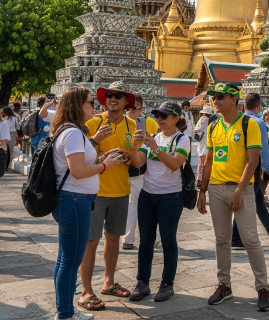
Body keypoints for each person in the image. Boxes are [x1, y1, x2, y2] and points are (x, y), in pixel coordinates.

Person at [50, 87, 124, 320]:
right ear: (78, 105)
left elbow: (79, 165)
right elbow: (78, 171)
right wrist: (104, 166)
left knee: (65, 259)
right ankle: (65, 314)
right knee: (71, 261)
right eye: (91, 103)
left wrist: (100, 159)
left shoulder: (70, 131)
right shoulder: (72, 133)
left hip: (73, 199)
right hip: (74, 201)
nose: (95, 107)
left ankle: (66, 311)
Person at [197, 83, 269, 312]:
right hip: (216, 189)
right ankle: (224, 284)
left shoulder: (249, 124)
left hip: (242, 189)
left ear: (233, 99)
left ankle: (262, 287)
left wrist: (239, 190)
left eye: (220, 97)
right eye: (213, 98)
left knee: (250, 240)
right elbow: (208, 160)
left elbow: (253, 162)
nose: (215, 101)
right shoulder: (213, 125)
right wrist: (202, 190)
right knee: (221, 240)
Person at [78, 82, 137, 311]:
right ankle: (85, 290)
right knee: (90, 241)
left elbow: (134, 159)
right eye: (109, 95)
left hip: (121, 189)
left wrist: (128, 154)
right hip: (96, 190)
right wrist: (97, 142)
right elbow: (81, 159)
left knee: (114, 238)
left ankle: (108, 282)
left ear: (126, 102)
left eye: (118, 96)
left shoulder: (132, 125)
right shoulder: (93, 123)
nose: (113, 99)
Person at [127, 101, 189, 303]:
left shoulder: (182, 139)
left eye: (164, 116)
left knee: (168, 241)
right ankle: (142, 282)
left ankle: (167, 284)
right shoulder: (152, 137)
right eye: (157, 116)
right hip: (147, 194)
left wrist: (156, 148)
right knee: (145, 242)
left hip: (170, 196)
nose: (159, 119)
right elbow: (138, 163)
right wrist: (136, 145)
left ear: (176, 119)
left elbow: (174, 164)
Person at [231, 93, 269, 249]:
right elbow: (263, 151)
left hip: (237, 166)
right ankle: (235, 237)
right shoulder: (258, 122)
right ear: (258, 105)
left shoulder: (236, 120)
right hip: (252, 167)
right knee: (244, 201)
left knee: (258, 199)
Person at [123, 95, 160, 251]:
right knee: (128, 204)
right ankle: (128, 237)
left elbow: (155, 144)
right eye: (129, 107)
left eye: (135, 108)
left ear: (141, 107)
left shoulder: (149, 122)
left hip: (139, 168)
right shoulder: (120, 122)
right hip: (120, 168)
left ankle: (129, 239)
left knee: (135, 203)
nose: (131, 111)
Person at [194, 105, 213, 188]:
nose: (204, 116)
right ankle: (202, 180)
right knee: (204, 164)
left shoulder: (207, 120)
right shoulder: (205, 120)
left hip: (205, 146)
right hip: (206, 146)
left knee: (202, 164)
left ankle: (201, 180)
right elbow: (196, 130)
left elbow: (196, 130)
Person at [2, 106, 19, 170]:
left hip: (4, 134)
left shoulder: (3, 119)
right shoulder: (14, 118)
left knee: (4, 148)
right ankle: (8, 166)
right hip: (12, 133)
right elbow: (17, 127)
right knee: (11, 150)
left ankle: (3, 165)